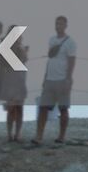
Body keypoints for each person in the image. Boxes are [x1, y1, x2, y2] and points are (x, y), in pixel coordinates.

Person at [31, 15, 76, 147]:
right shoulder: (51, 40)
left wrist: (68, 79)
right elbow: (50, 59)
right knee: (43, 108)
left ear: (65, 25)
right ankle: (39, 136)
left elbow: (72, 61)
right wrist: (45, 77)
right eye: (57, 23)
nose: (58, 26)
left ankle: (61, 136)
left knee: (63, 108)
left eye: (61, 24)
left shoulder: (70, 42)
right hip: (50, 79)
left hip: (62, 79)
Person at [0, 24, 29, 143]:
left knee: (18, 108)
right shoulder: (8, 48)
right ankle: (11, 134)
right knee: (13, 108)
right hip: (12, 80)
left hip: (19, 79)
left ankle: (15, 134)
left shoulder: (18, 47)